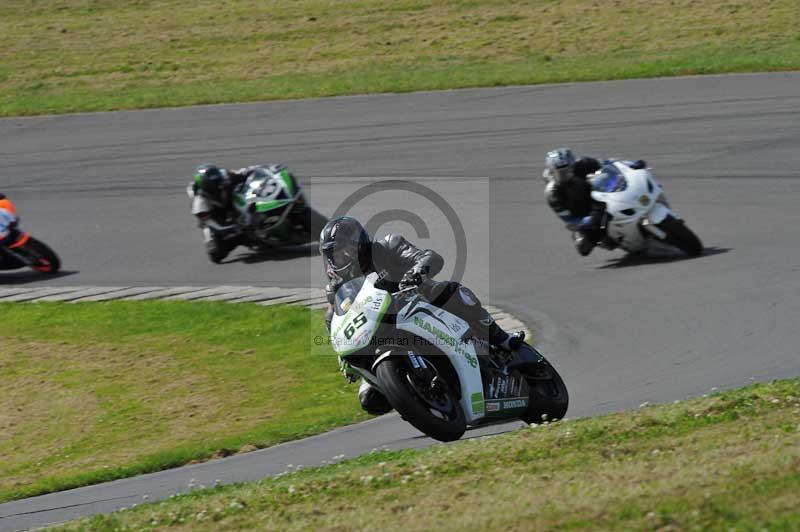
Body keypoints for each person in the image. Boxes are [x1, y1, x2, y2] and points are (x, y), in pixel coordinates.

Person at [319, 216, 524, 415]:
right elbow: (334, 319)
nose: (341, 257)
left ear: (359, 244)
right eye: (334, 254)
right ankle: (419, 397)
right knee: (370, 400)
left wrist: (416, 272)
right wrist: (342, 355)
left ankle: (501, 338)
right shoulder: (336, 287)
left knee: (452, 292)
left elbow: (429, 257)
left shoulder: (388, 246)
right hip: (382, 332)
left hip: (419, 302)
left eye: (344, 249)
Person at [543, 148, 646, 256]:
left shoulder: (584, 163)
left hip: (601, 197)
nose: (565, 175)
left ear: (573, 165)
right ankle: (618, 241)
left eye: (568, 170)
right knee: (584, 248)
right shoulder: (552, 194)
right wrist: (583, 222)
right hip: (585, 216)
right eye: (560, 173)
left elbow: (609, 163)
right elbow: (568, 218)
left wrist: (630, 164)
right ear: (551, 172)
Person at [190, 164, 266, 261]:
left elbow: (247, 172)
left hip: (233, 201)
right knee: (215, 253)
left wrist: (261, 169)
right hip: (217, 216)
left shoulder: (225, 176)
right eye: (212, 185)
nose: (217, 186)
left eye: (218, 181)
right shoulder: (199, 201)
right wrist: (235, 228)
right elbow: (210, 223)